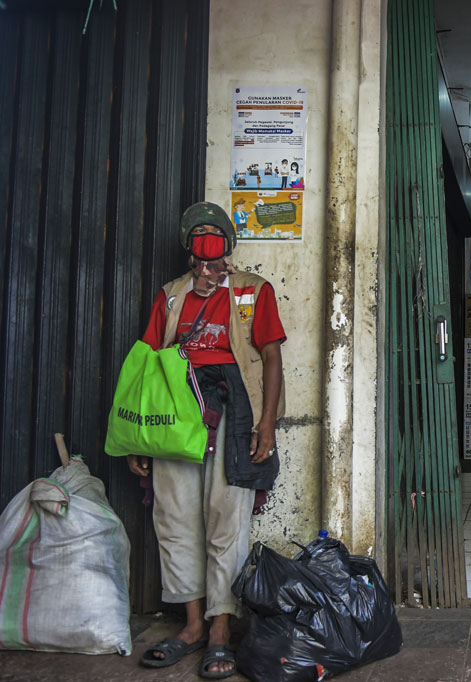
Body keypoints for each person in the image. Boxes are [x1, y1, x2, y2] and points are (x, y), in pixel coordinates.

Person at [130, 201, 286, 679]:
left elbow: (271, 358)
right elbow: (149, 365)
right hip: (176, 418)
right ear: (187, 247)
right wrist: (140, 434)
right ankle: (193, 626)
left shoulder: (253, 291)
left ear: (226, 243)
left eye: (212, 235)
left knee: (226, 524)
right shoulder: (172, 296)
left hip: (234, 416)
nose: (206, 246)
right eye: (197, 237)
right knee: (174, 522)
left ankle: (221, 629)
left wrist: (267, 423)